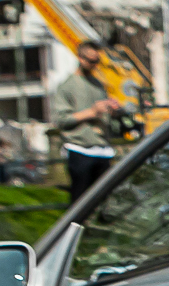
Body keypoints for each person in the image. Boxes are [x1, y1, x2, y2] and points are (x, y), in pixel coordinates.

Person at [52, 40, 126, 199]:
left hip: (103, 149)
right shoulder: (66, 86)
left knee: (103, 202)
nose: (95, 65)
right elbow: (62, 120)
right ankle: (74, 225)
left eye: (98, 61)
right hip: (80, 149)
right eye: (92, 61)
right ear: (80, 58)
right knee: (81, 201)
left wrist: (112, 111)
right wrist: (92, 112)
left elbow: (106, 119)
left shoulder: (99, 85)